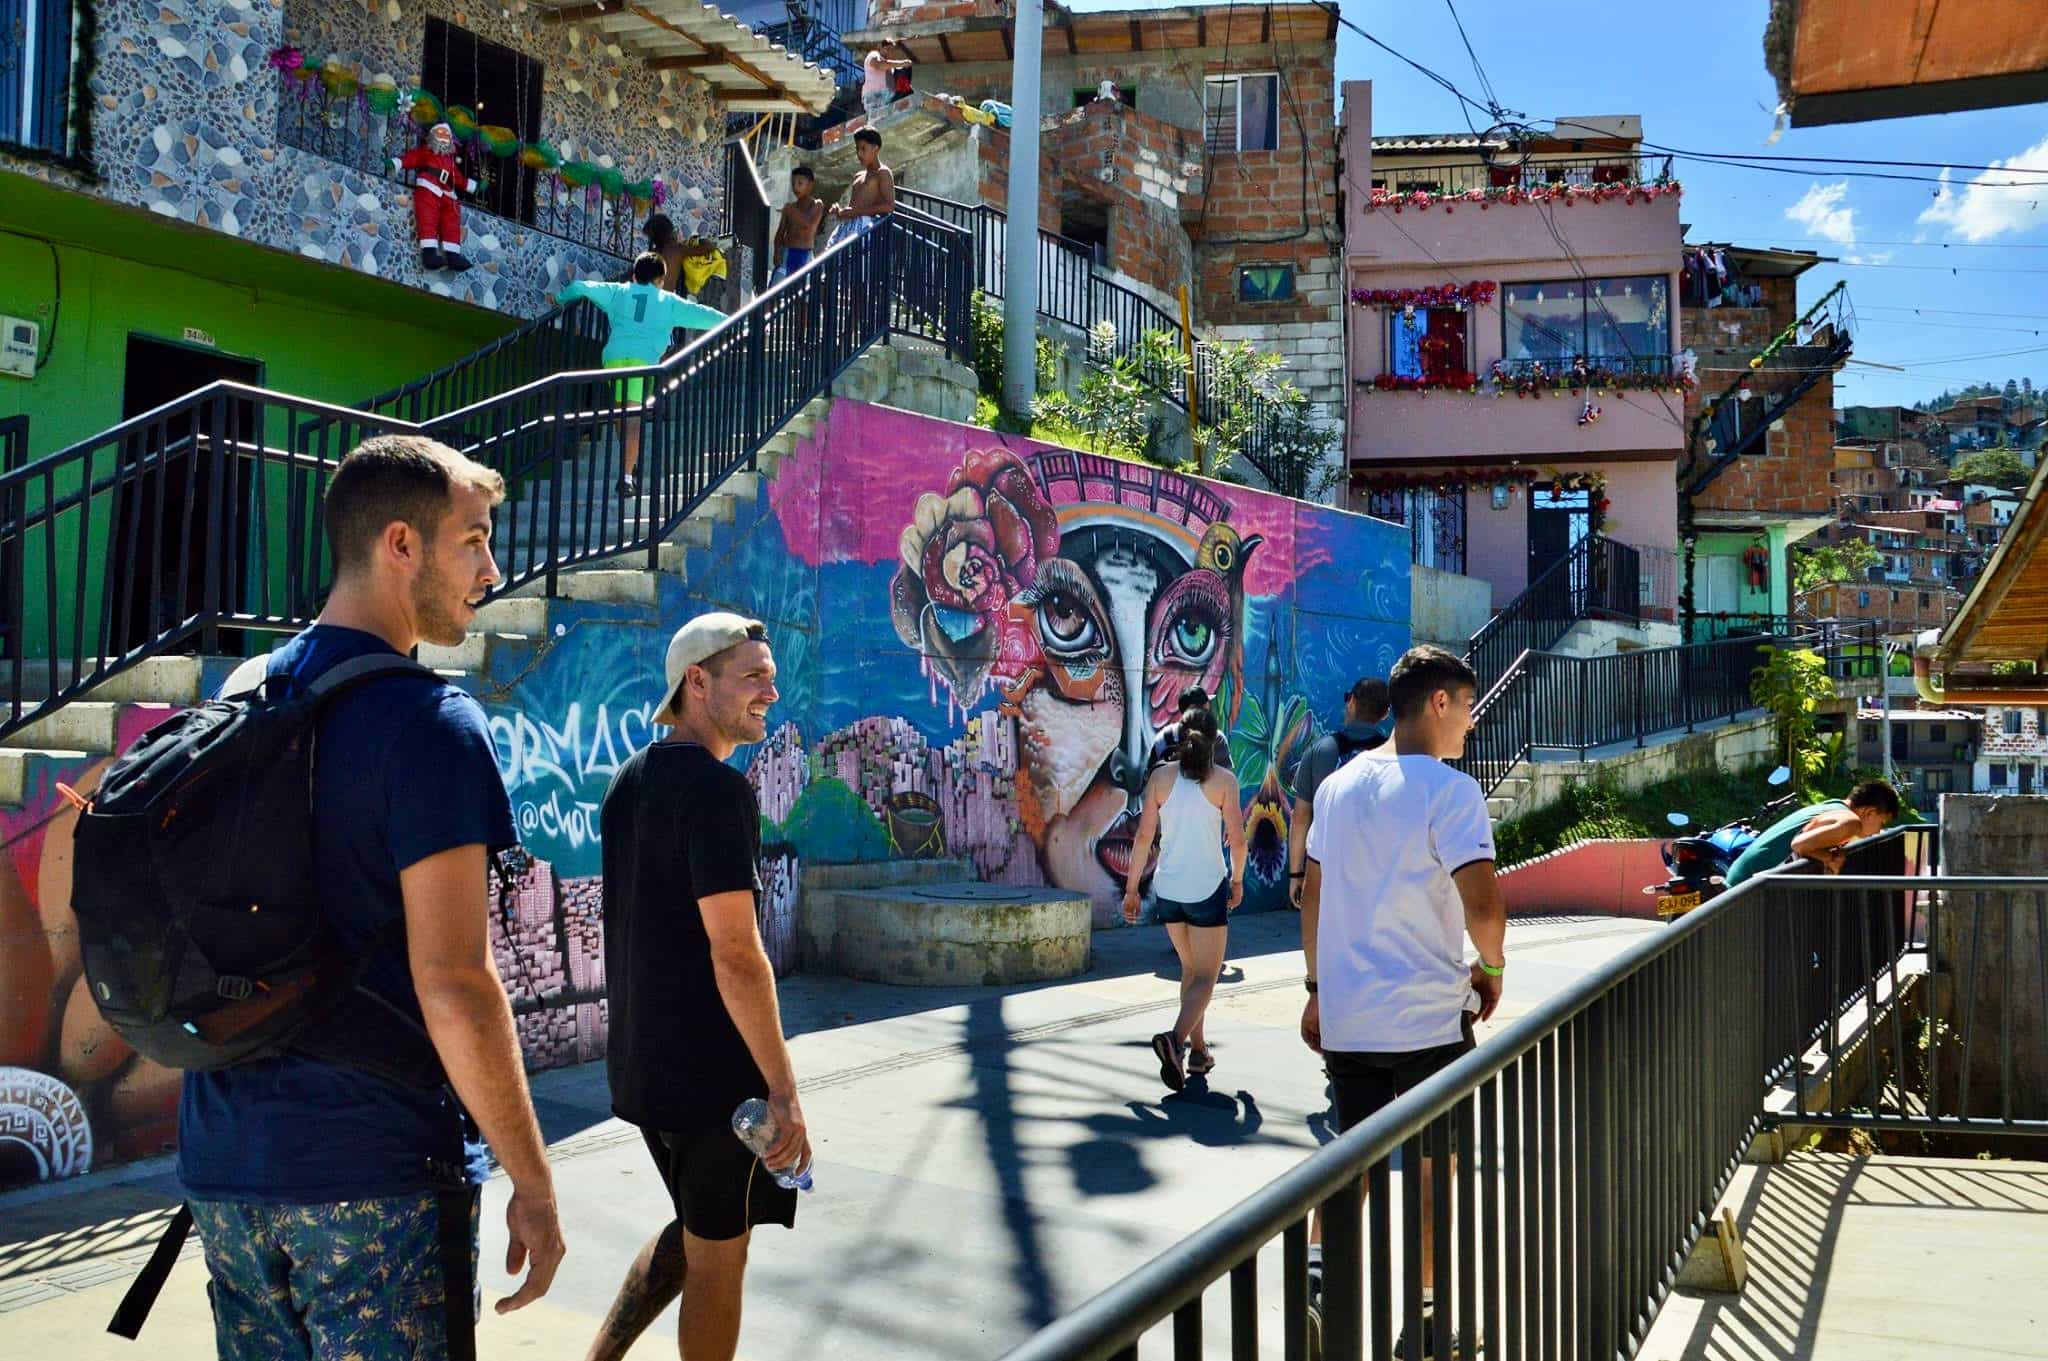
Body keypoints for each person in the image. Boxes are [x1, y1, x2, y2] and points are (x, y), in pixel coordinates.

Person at [186, 436, 564, 1358]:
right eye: (473, 540)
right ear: (401, 544)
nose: (492, 570)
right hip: (373, 1178)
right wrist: (534, 1179)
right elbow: (457, 983)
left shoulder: (239, 693)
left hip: (223, 1166)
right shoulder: (431, 722)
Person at [586, 613, 806, 1361]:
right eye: (753, 677)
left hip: (646, 1072)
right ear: (697, 682)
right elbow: (737, 954)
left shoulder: (628, 781)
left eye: (771, 676)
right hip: (713, 1085)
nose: (771, 691)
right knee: (719, 1259)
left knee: (696, 1226)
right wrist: (783, 1090)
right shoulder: (716, 791)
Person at [1300, 645, 1506, 1355]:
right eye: (1468, 708)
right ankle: (1425, 1319)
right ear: (1439, 703)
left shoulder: (1338, 785)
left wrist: (1316, 991)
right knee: (1433, 1171)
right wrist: (1492, 967)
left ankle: (1319, 1283)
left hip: (1350, 1018)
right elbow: (1484, 904)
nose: (1471, 723)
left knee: (1350, 1159)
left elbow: (1313, 896)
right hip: (1428, 1021)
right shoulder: (1450, 791)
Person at [1122, 708, 1246, 1091]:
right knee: (1208, 975)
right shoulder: (1224, 781)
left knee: (1191, 972)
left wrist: (1132, 889)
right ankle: (1175, 1041)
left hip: (1169, 891)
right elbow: (1238, 841)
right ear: (1215, 740)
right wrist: (1237, 880)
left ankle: (1198, 1051)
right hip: (1206, 889)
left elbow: (1144, 838)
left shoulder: (1160, 778)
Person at [557, 253, 727, 498]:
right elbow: (704, 315)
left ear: (634, 276)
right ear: (660, 281)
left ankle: (630, 462)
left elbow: (579, 287)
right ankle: (627, 478)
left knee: (621, 412)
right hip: (643, 361)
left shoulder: (617, 291)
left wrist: (559, 299)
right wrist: (740, 322)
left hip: (613, 357)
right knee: (634, 418)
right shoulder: (668, 301)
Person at [1287, 677, 1391, 908]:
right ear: (1385, 713)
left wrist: (1296, 874)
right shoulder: (1396, 757)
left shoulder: (1320, 750)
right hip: (1382, 873)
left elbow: (1301, 817)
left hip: (1328, 870)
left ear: (1351, 701)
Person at [1724, 779, 1901, 887]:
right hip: (1746, 887)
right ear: (1869, 812)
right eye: (1882, 822)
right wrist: (1829, 858)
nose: (1879, 830)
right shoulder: (1850, 822)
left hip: (1739, 881)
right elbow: (1799, 844)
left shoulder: (1833, 807)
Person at [1147, 685, 1234, 775]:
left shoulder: (1165, 736)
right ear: (1205, 707)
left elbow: (1150, 774)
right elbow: (1227, 776)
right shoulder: (1217, 738)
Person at [829, 128, 896, 245]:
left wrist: (856, 212)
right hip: (847, 226)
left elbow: (889, 206)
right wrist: (840, 211)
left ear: (875, 148)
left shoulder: (883, 172)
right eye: (857, 149)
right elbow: (853, 207)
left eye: (863, 149)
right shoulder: (858, 176)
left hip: (864, 228)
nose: (859, 154)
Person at [772, 166, 826, 282]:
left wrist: (792, 211)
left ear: (810, 185)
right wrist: (776, 252)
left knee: (803, 288)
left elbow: (808, 224)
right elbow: (780, 233)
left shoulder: (817, 205)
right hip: (788, 253)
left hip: (805, 255)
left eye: (800, 183)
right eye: (793, 184)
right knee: (778, 286)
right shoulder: (789, 208)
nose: (795, 187)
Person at [861, 47, 912, 125]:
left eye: (891, 49)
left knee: (887, 122)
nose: (889, 51)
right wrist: (903, 63)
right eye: (887, 48)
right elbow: (878, 65)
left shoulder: (890, 69)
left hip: (886, 97)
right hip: (875, 94)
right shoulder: (874, 54)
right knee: (876, 122)